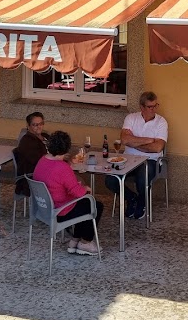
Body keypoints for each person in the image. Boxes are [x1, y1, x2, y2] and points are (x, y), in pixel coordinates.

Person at [33, 130, 103, 256]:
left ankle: (75, 241)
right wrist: (86, 188)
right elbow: (78, 193)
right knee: (95, 204)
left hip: (43, 208)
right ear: (67, 148)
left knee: (85, 203)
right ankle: (85, 243)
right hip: (60, 211)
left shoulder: (42, 160)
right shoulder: (62, 167)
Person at [105, 91, 167, 220]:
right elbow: (124, 140)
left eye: (156, 105)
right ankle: (132, 198)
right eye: (150, 107)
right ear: (142, 107)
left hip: (151, 161)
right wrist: (149, 140)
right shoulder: (131, 118)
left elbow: (157, 148)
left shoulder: (161, 122)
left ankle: (142, 203)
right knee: (110, 180)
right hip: (128, 158)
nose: (154, 109)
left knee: (142, 178)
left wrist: (135, 142)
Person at [14, 112, 48, 196]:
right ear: (28, 126)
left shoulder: (45, 136)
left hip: (47, 171)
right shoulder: (27, 141)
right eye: (35, 125)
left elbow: (57, 149)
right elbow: (38, 161)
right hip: (33, 178)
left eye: (41, 124)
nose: (39, 126)